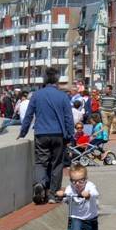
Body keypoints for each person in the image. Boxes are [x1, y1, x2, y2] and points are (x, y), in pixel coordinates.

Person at [19, 70, 76, 205]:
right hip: (58, 135)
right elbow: (69, 118)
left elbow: (28, 116)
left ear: (44, 80)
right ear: (57, 80)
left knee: (41, 162)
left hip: (41, 133)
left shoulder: (36, 95)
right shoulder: (62, 96)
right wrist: (70, 135)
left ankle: (39, 183)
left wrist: (23, 132)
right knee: (57, 164)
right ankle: (53, 194)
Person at [55, 163, 102, 230]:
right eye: (74, 181)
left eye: (81, 181)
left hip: (90, 217)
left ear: (86, 179)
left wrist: (88, 194)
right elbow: (65, 196)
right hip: (76, 217)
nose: (77, 184)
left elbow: (95, 194)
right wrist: (61, 194)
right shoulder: (70, 188)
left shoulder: (90, 186)